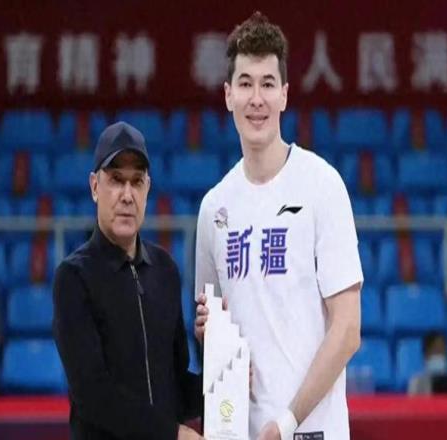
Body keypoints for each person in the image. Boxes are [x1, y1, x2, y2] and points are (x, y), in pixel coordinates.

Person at [195, 12, 363, 440]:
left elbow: (347, 330)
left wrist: (286, 424)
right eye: (246, 84)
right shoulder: (214, 209)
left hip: (311, 432)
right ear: (228, 95)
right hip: (239, 431)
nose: (257, 99)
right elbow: (210, 333)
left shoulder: (322, 186)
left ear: (285, 95)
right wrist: (208, 335)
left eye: (268, 84)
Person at [53, 121, 203, 440]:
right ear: (95, 187)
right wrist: (171, 434)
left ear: (148, 188)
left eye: (136, 182)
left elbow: (174, 385)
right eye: (116, 180)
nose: (127, 195)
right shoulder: (74, 278)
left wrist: (227, 385)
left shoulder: (165, 270)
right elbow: (93, 396)